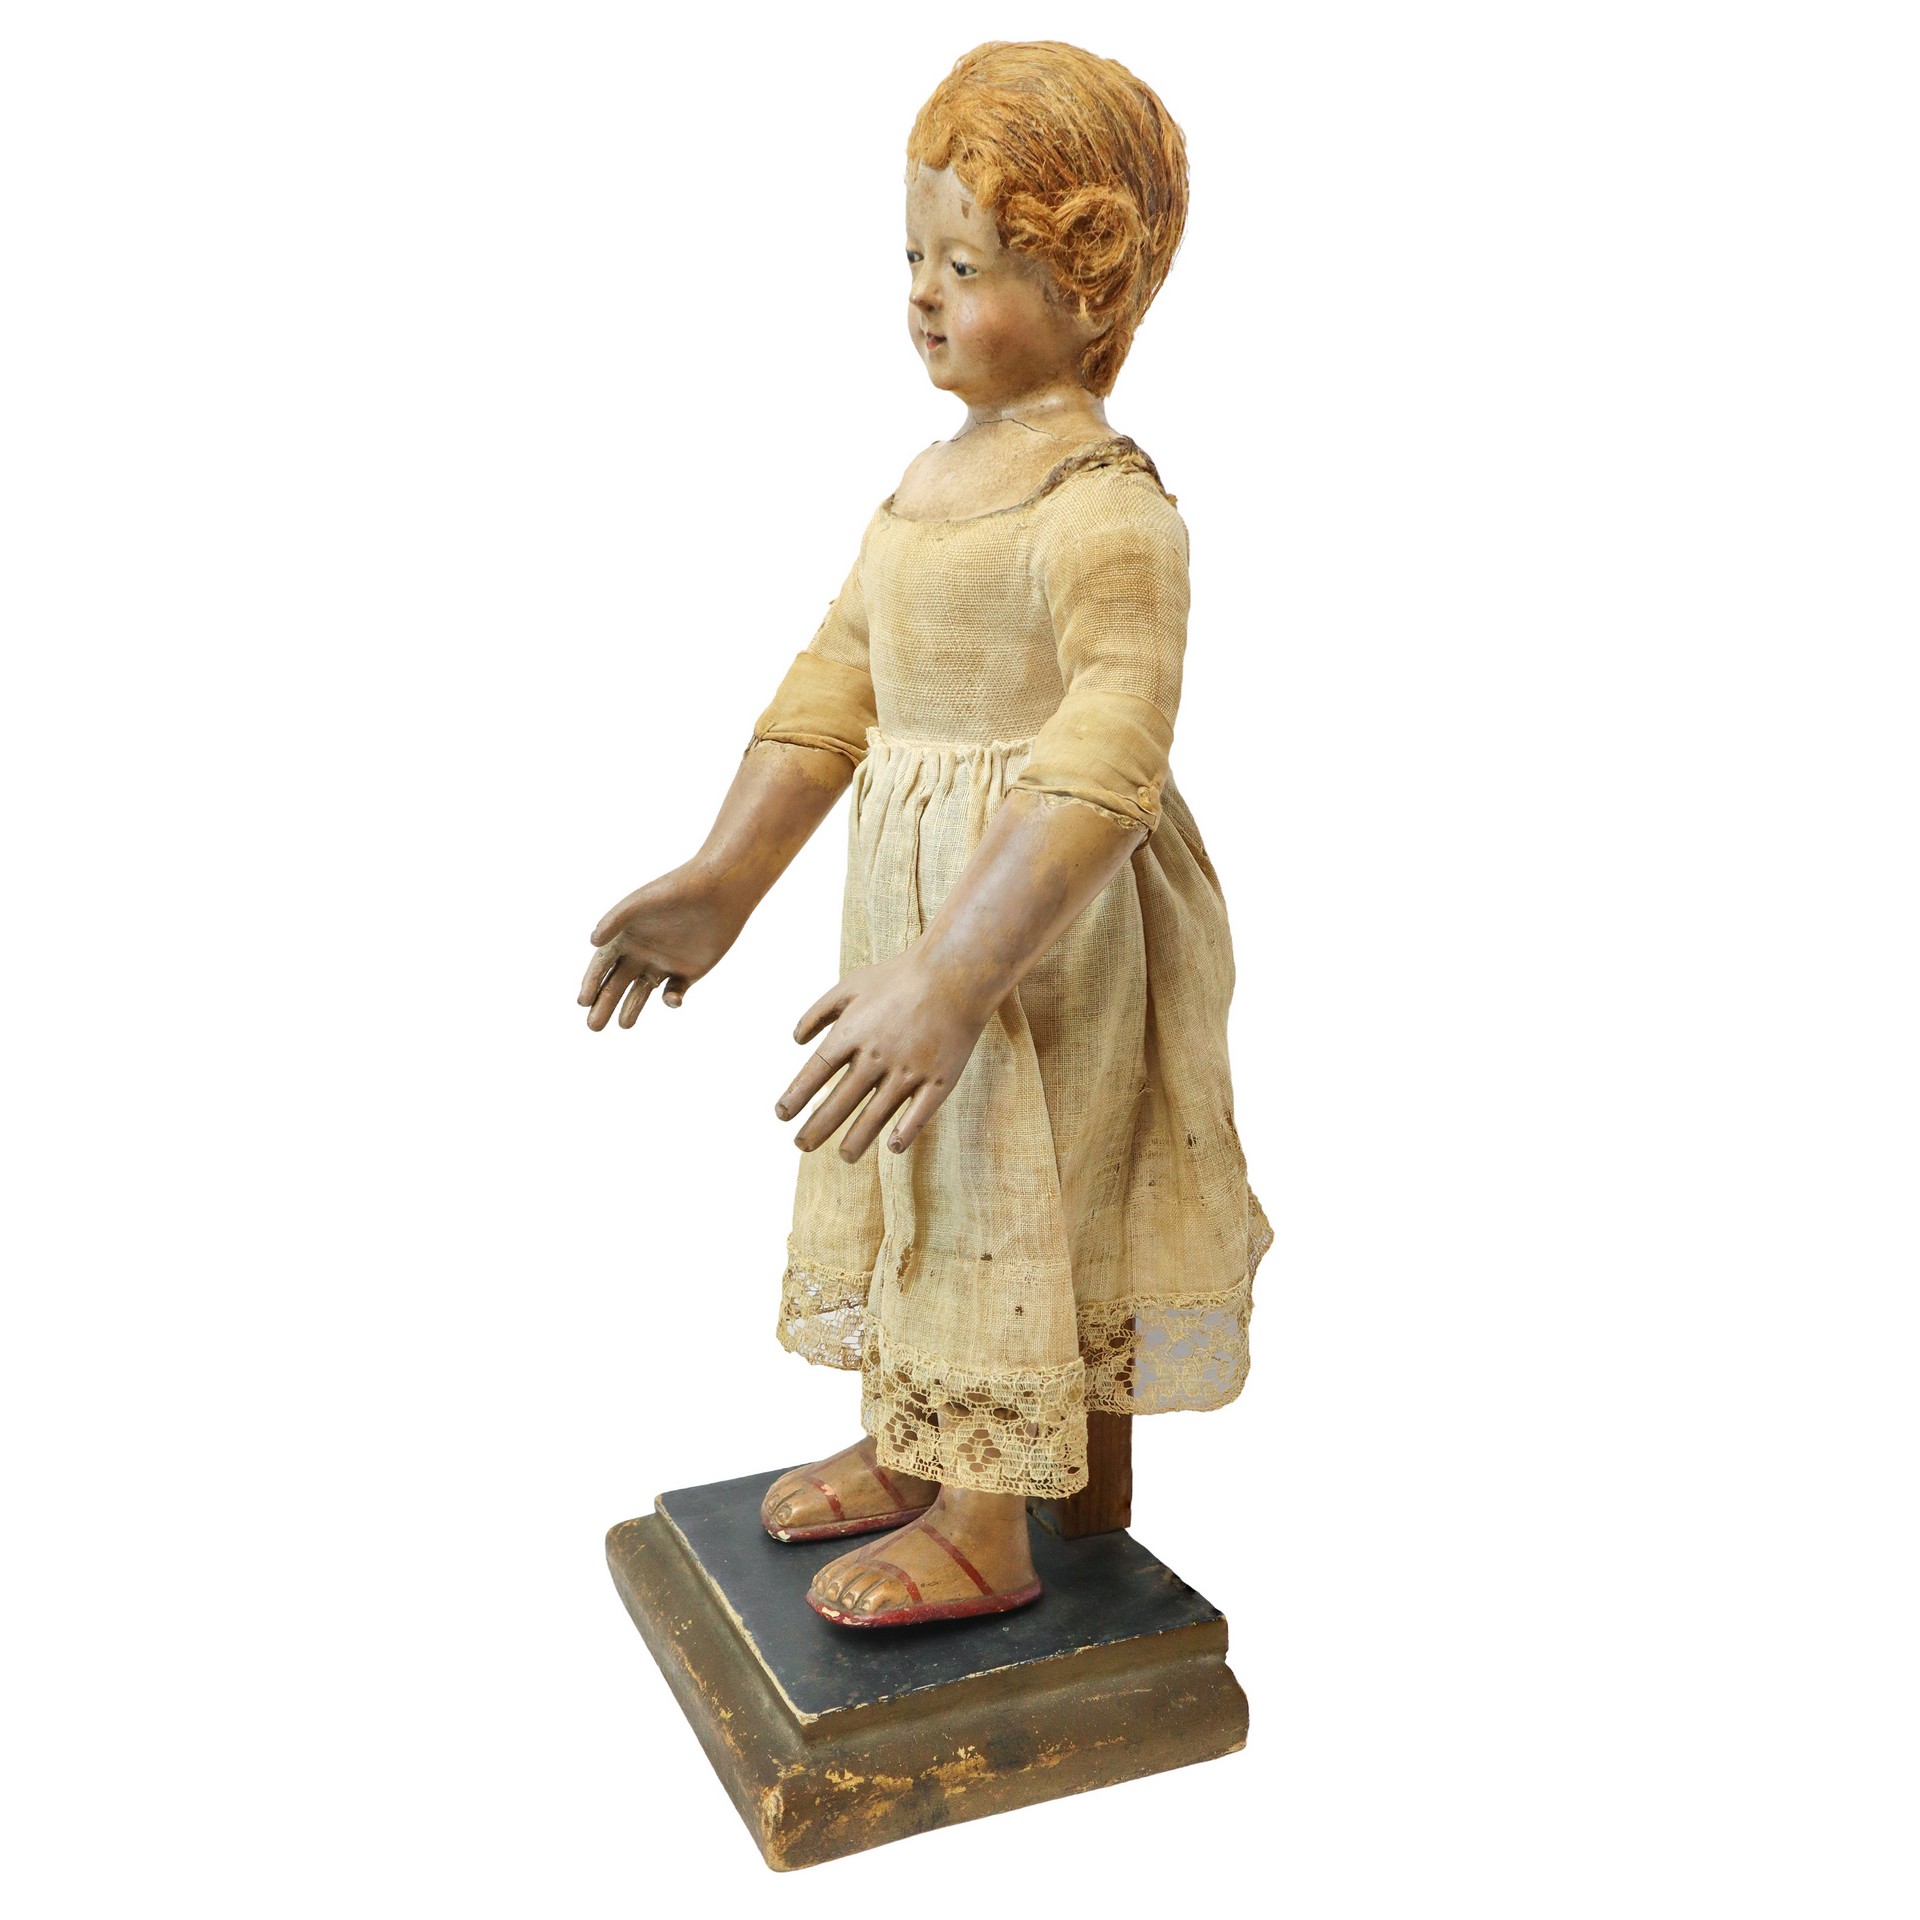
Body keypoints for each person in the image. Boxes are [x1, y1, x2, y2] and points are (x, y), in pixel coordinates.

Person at [578, 40, 1270, 1628]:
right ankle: (924, 1435)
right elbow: (836, 685)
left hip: (1044, 933)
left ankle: (988, 1524)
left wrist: (963, 973)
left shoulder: (1106, 506)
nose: (922, 297)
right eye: (913, 260)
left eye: (968, 266)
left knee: (1017, 1192)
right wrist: (722, 882)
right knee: (919, 1186)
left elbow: (1110, 749)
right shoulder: (927, 484)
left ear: (1088, 284)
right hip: (916, 920)